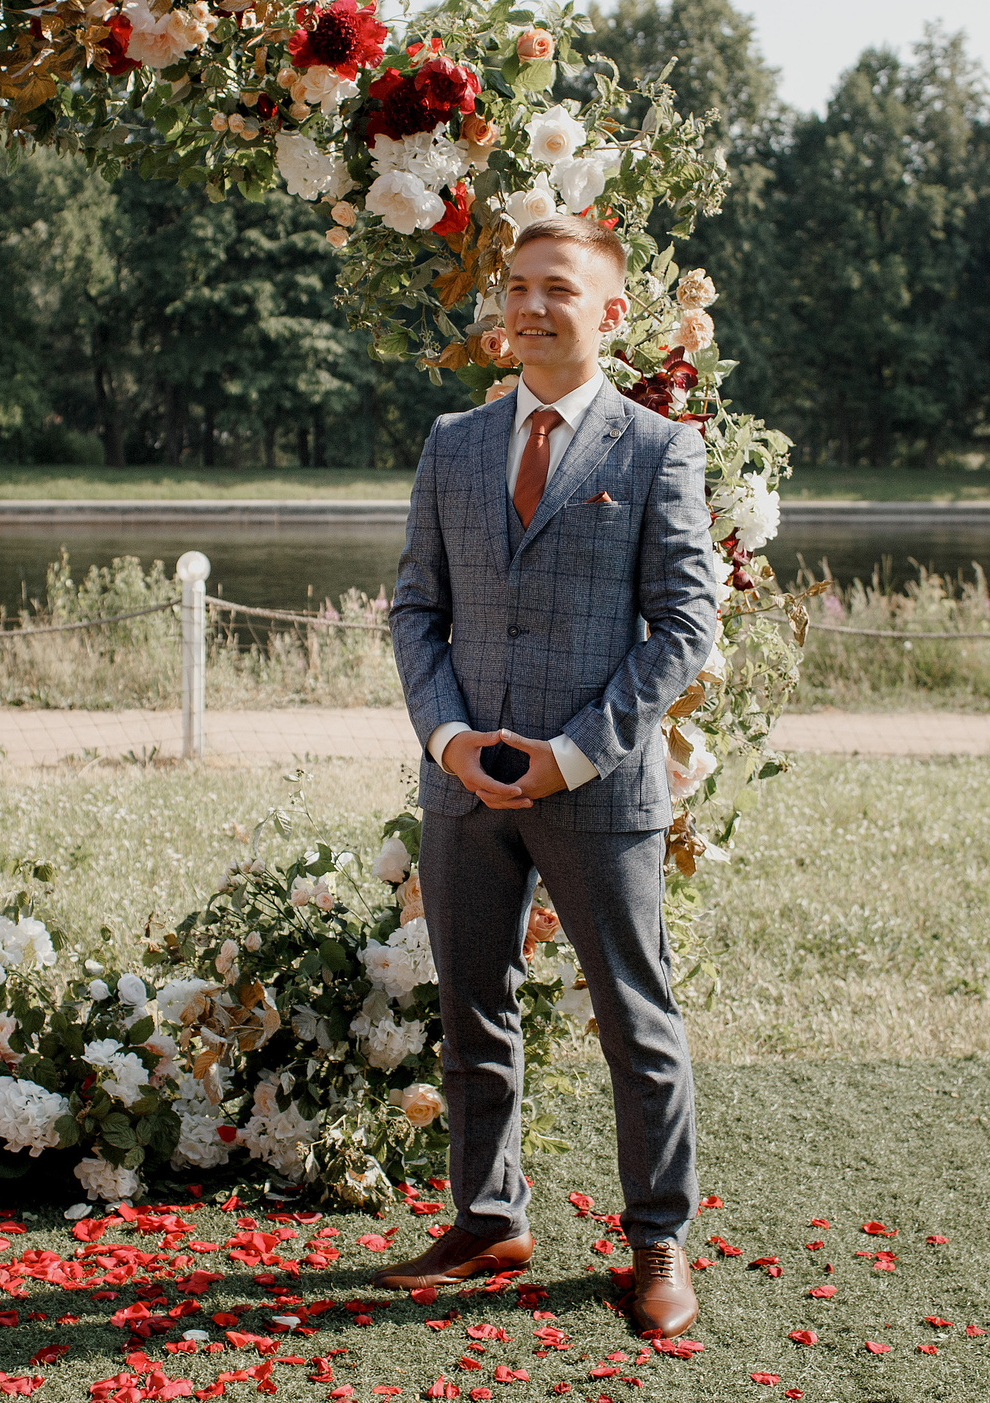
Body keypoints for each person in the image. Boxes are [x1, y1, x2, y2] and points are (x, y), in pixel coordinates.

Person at [374, 214, 722, 1337]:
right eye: (516, 287)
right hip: (464, 786)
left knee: (637, 1018)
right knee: (473, 1009)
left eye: (556, 289)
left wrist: (574, 752)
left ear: (610, 314)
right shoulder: (453, 442)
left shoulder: (657, 450)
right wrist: (449, 741)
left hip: (598, 788)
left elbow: (682, 626)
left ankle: (657, 1239)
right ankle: (488, 1218)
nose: (528, 307)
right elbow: (416, 606)